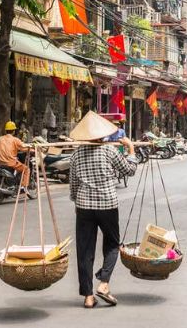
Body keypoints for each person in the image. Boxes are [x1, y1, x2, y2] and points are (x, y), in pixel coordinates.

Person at [68, 111, 138, 309]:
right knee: (113, 245)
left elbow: (73, 185)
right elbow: (130, 170)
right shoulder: (109, 151)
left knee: (85, 251)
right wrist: (131, 148)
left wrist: (76, 202)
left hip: (83, 207)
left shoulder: (76, 155)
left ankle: (88, 297)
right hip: (107, 204)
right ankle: (104, 283)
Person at [0, 121, 30, 187]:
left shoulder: (0, 138)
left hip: (1, 162)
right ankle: (24, 187)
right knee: (26, 169)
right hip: (10, 162)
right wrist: (34, 149)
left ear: (6, 130)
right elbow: (23, 147)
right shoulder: (15, 139)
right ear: (14, 131)